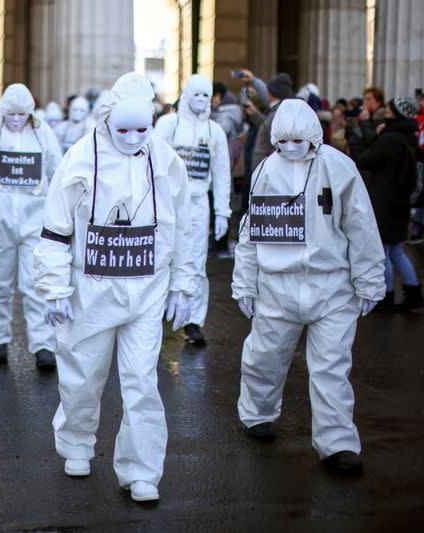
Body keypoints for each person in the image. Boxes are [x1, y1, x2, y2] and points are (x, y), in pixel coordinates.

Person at [34, 71, 194, 502]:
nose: (132, 137)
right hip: (92, 289)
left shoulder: (164, 160)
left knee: (143, 381)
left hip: (146, 288)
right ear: (107, 120)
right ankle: (77, 443)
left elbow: (184, 223)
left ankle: (141, 470)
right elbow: (55, 226)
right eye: (123, 129)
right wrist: (55, 287)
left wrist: (184, 279)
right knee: (83, 373)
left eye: (141, 129)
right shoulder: (81, 157)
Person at [232, 99, 385, 475]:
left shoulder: (337, 167)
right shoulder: (268, 169)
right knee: (265, 356)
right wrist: (245, 284)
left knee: (331, 368)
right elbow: (253, 232)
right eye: (282, 140)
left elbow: (360, 225)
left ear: (314, 136)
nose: (290, 147)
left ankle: (337, 444)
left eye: (297, 140)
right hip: (277, 284)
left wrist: (369, 280)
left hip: (331, 285)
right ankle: (257, 414)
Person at [0, 83, 62, 368]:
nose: (16, 120)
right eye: (10, 114)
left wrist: (63, 222)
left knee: (36, 284)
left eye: (21, 114)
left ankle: (43, 344)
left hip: (35, 220)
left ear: (30, 112)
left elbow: (59, 177)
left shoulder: (43, 133)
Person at [155, 74, 231, 344]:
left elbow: (222, 174)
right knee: (162, 258)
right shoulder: (168, 125)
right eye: (196, 94)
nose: (200, 100)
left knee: (196, 263)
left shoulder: (215, 132)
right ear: (186, 95)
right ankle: (157, 312)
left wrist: (223, 211)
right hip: (168, 204)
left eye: (205, 95)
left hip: (199, 205)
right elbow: (152, 163)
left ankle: (193, 321)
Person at [358, 96, 422, 310]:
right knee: (396, 250)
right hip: (399, 200)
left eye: (391, 107)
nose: (387, 109)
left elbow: (366, 160)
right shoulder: (407, 136)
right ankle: (413, 292)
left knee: (383, 252)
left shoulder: (390, 138)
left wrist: (373, 132)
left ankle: (386, 295)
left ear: (397, 112)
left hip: (384, 200)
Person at [348, 86, 386, 163]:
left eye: (368, 99)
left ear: (378, 101)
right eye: (364, 99)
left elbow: (369, 139)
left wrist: (364, 121)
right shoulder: (370, 114)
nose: (365, 102)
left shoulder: (380, 116)